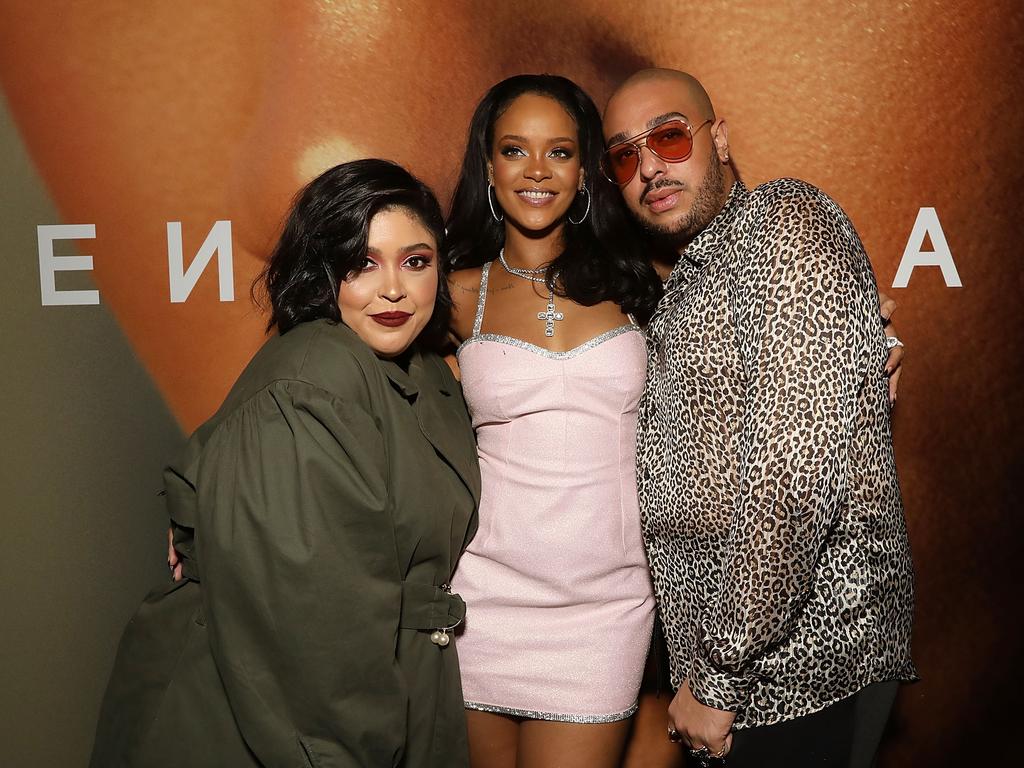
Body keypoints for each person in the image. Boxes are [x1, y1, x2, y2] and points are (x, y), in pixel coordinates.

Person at [90, 159, 481, 768]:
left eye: (415, 261)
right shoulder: (314, 374)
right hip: (272, 725)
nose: (393, 289)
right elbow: (315, 635)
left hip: (384, 700)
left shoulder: (426, 372)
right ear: (321, 273)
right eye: (361, 263)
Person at [601, 69, 916, 767]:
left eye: (670, 137)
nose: (649, 165)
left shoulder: (783, 220)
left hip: (807, 662)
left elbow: (791, 482)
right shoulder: (687, 282)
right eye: (625, 155)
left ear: (720, 138)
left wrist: (716, 677)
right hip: (740, 677)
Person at [443, 74, 663, 768]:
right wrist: (203, 483)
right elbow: (330, 376)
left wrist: (868, 342)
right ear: (488, 165)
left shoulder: (641, 282)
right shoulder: (452, 294)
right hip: (481, 601)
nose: (537, 170)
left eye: (560, 152)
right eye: (515, 149)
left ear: (586, 171)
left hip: (605, 610)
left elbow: (749, 346)